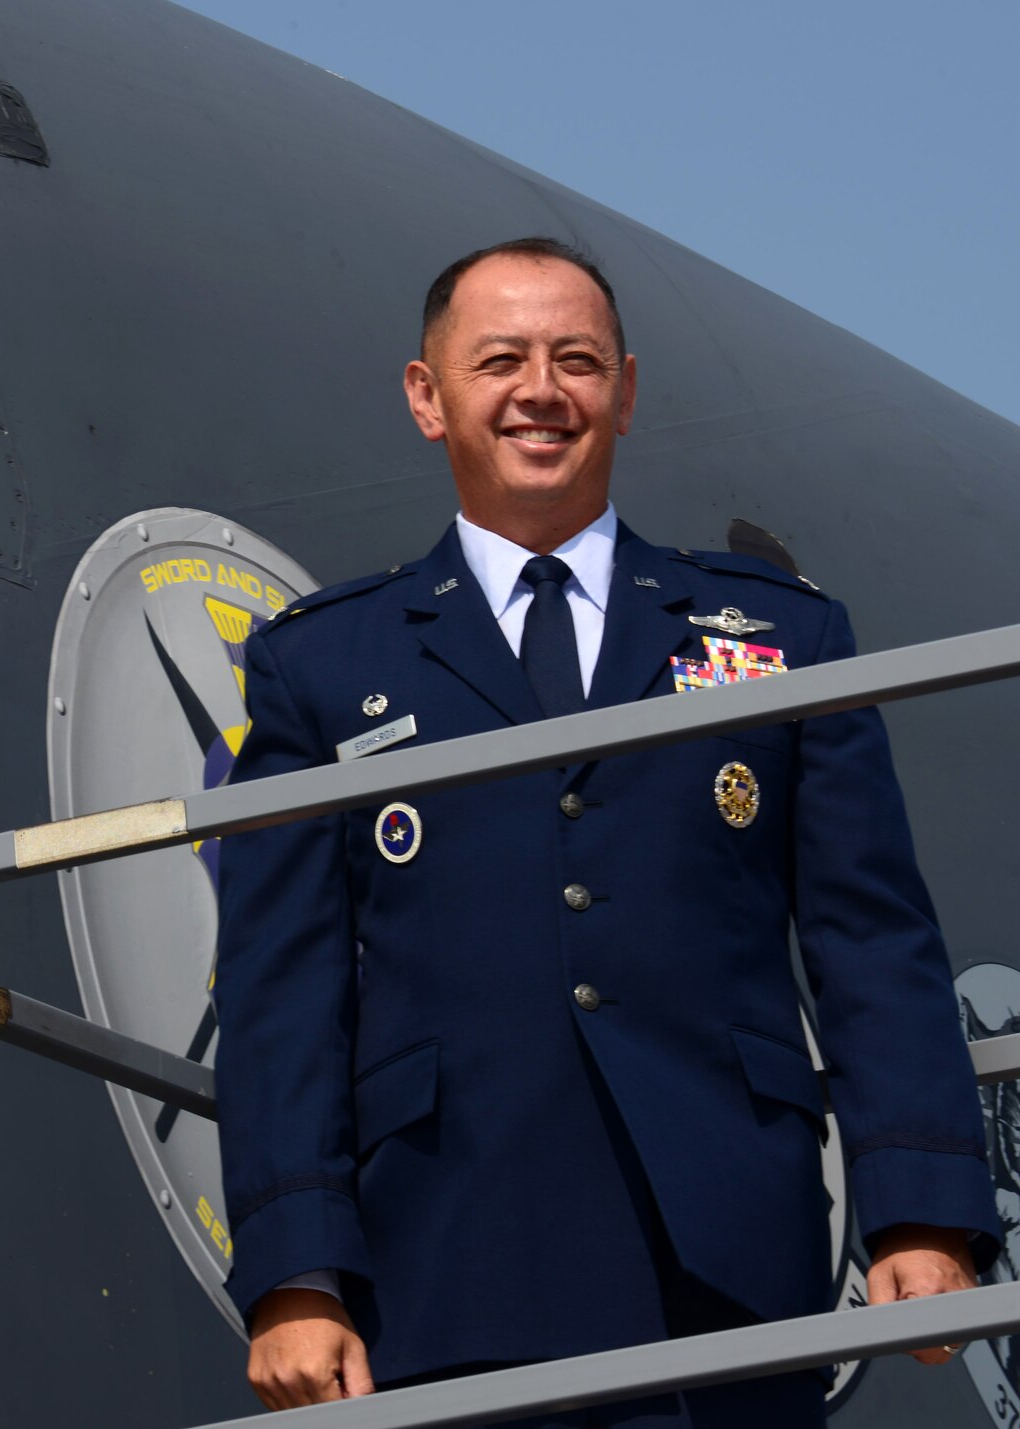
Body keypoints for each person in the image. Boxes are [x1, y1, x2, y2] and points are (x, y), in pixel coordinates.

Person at [213, 238, 999, 1426]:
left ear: (623, 392)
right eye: (499, 361)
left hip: (723, 1264)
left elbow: (869, 936)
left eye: (575, 360)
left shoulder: (780, 638)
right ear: (427, 398)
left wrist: (921, 1211)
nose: (540, 390)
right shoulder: (319, 662)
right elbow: (281, 990)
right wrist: (293, 1272)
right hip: (444, 1265)